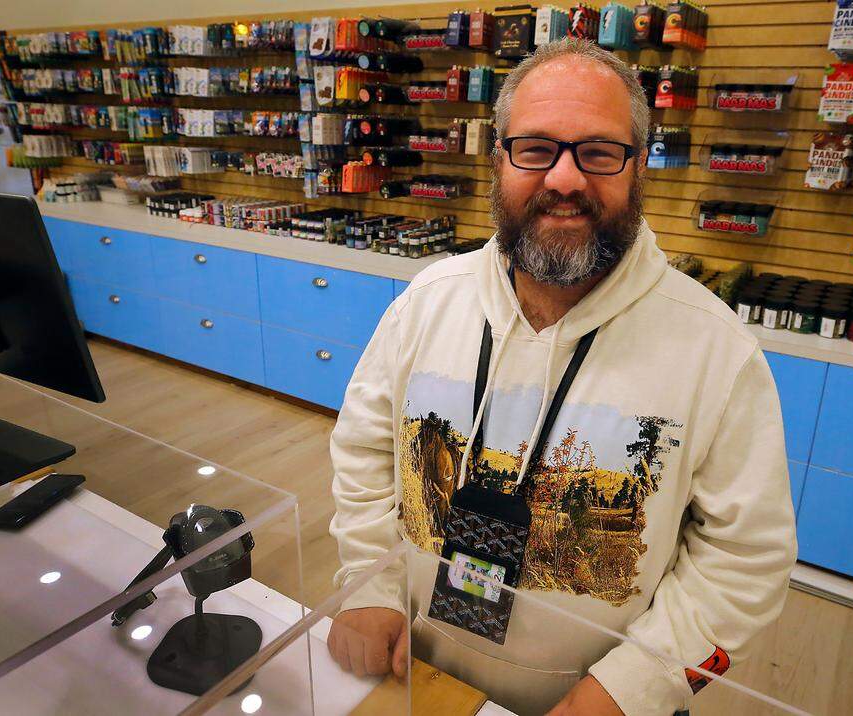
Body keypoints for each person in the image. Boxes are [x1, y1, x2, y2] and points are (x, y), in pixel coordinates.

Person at [326, 37, 797, 716]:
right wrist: (367, 586)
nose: (566, 179)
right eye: (537, 148)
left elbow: (746, 561)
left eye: (599, 152)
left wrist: (627, 690)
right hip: (418, 676)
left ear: (638, 170)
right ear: (498, 157)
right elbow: (365, 451)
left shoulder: (717, 352)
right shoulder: (426, 304)